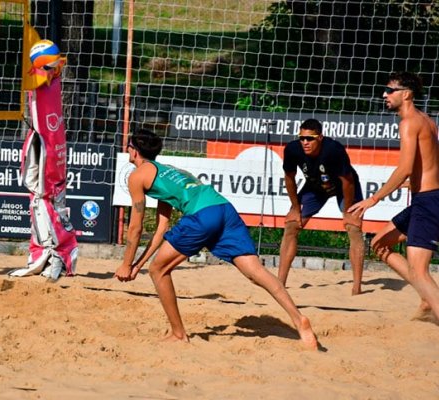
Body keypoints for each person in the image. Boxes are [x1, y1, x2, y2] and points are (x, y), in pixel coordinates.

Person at [113, 129, 318, 350]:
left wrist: (125, 264)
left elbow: (135, 228)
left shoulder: (137, 176)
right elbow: (161, 229)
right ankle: (299, 320)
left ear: (133, 151)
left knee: (159, 271)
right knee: (255, 272)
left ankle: (179, 334)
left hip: (202, 215)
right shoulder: (168, 172)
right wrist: (136, 266)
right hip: (223, 209)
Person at [349, 71, 439, 323]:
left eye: (390, 91)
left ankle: (430, 299)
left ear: (407, 94)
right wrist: (417, 182)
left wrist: (373, 199)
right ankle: (426, 300)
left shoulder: (409, 122)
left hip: (429, 201)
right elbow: (429, 162)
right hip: (427, 197)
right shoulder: (427, 121)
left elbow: (404, 167)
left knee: (419, 271)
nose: (384, 95)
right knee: (380, 244)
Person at [279, 118, 365, 295]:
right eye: (302, 138)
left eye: (309, 138)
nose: (305, 142)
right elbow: (289, 178)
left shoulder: (334, 150)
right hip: (316, 186)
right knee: (291, 225)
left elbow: (347, 182)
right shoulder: (293, 149)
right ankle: (280, 283)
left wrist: (348, 211)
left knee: (353, 227)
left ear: (320, 137)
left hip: (343, 186)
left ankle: (356, 287)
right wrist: (295, 208)